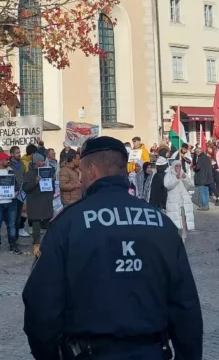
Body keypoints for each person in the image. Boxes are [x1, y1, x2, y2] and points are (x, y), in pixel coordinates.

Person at [22, 135, 203, 360]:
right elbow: (186, 304)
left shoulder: (67, 223)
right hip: (151, 350)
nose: (80, 181)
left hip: (89, 351)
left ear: (92, 171)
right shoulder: (161, 223)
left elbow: (41, 304)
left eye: (82, 174)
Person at [0, 152, 21, 256]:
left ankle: (13, 245)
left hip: (10, 202)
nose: (8, 161)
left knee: (11, 225)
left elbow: (17, 185)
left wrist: (16, 191)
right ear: (0, 161)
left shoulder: (11, 171)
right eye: (6, 159)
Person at [22, 153, 55, 258]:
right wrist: (35, 181)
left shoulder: (47, 170)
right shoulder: (28, 174)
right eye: (41, 161)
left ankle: (48, 243)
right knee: (36, 224)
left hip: (45, 200)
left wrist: (52, 186)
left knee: (48, 223)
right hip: (35, 201)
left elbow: (52, 185)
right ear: (36, 162)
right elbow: (26, 188)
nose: (44, 162)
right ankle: (36, 245)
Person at [164, 158, 195, 242]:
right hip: (173, 201)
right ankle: (174, 236)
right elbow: (167, 185)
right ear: (173, 166)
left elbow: (191, 185)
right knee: (174, 219)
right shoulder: (169, 174)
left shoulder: (183, 173)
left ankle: (183, 237)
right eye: (176, 166)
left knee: (184, 219)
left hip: (183, 200)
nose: (178, 167)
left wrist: (185, 179)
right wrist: (176, 179)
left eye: (179, 166)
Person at [192, 145, 214, 211]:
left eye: (196, 153)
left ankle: (204, 205)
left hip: (202, 177)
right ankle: (206, 204)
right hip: (207, 176)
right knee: (206, 191)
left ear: (197, 152)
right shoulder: (207, 157)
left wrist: (194, 168)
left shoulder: (200, 158)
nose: (195, 154)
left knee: (202, 191)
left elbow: (198, 167)